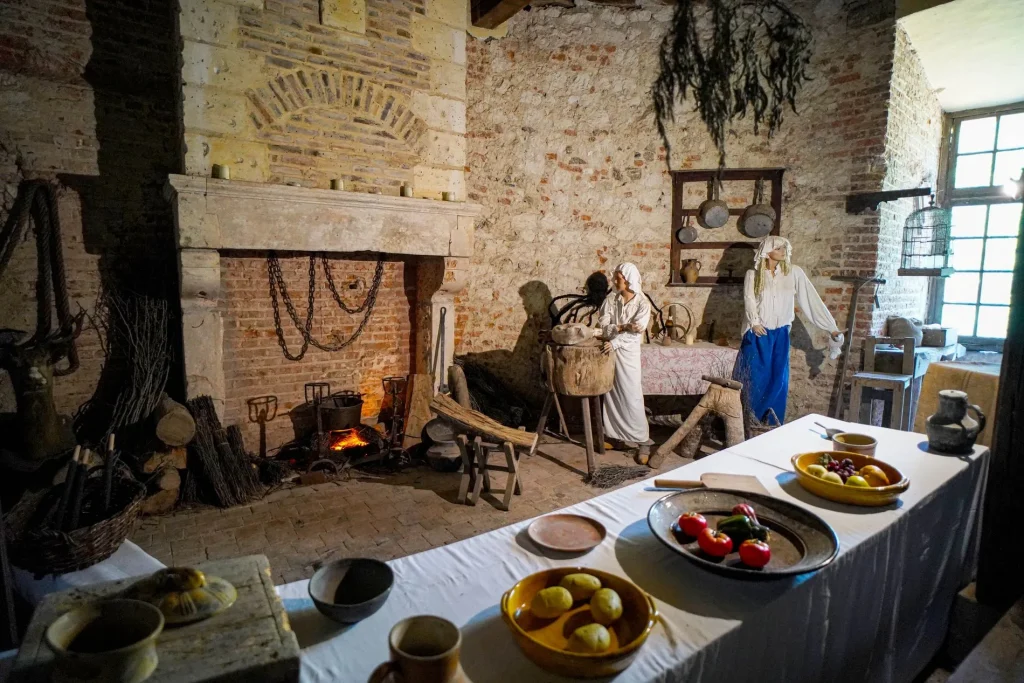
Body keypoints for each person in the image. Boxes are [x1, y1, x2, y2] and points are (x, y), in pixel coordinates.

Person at [736, 236, 843, 424]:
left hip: (780, 334)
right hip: (758, 333)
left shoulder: (794, 273)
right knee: (753, 379)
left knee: (779, 380)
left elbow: (811, 300)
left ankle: (770, 424)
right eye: (778, 248)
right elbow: (749, 299)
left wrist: (831, 328)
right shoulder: (753, 275)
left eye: (785, 248)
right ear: (767, 251)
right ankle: (746, 423)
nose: (783, 251)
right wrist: (754, 322)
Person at [598, 263, 652, 458]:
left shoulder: (642, 304)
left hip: (628, 354)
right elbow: (604, 325)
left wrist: (616, 340)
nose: (614, 281)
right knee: (612, 393)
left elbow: (636, 333)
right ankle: (615, 436)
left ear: (628, 280)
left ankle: (642, 441)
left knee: (632, 395)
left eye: (618, 278)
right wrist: (622, 327)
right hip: (611, 352)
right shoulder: (611, 300)